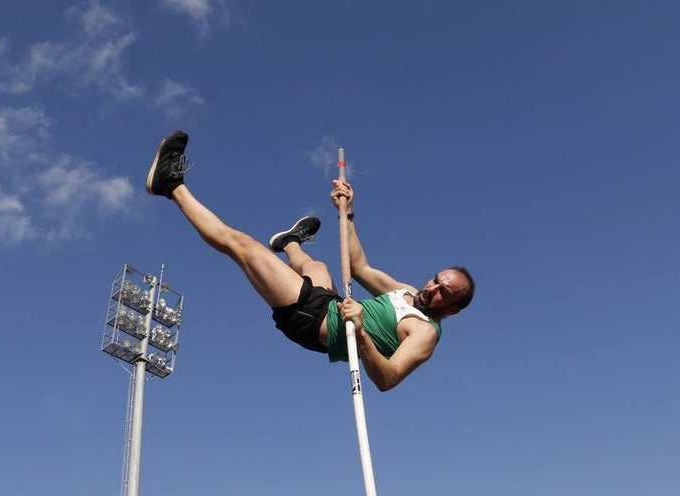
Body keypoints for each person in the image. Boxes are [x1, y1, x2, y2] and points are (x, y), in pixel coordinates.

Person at [145, 130, 474, 391]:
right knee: (317, 268)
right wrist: (346, 213)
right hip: (328, 304)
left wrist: (359, 332)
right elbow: (360, 268)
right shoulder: (405, 291)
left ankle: (170, 184)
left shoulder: (425, 335)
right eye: (436, 279)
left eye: (444, 291)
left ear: (454, 308)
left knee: (242, 245)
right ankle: (289, 242)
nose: (433, 288)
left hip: (313, 321)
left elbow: (388, 379)